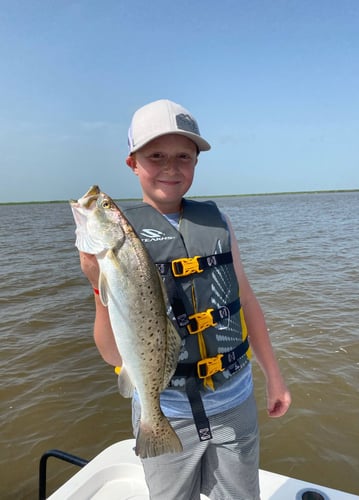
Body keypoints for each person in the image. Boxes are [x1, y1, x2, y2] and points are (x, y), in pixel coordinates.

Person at [79, 99, 291, 500]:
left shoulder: (218, 222)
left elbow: (245, 299)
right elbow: (111, 355)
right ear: (132, 163)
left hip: (235, 400)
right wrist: (97, 285)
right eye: (155, 155)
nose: (171, 168)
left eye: (184, 157)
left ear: (196, 162)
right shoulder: (120, 242)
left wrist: (274, 376)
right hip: (166, 409)